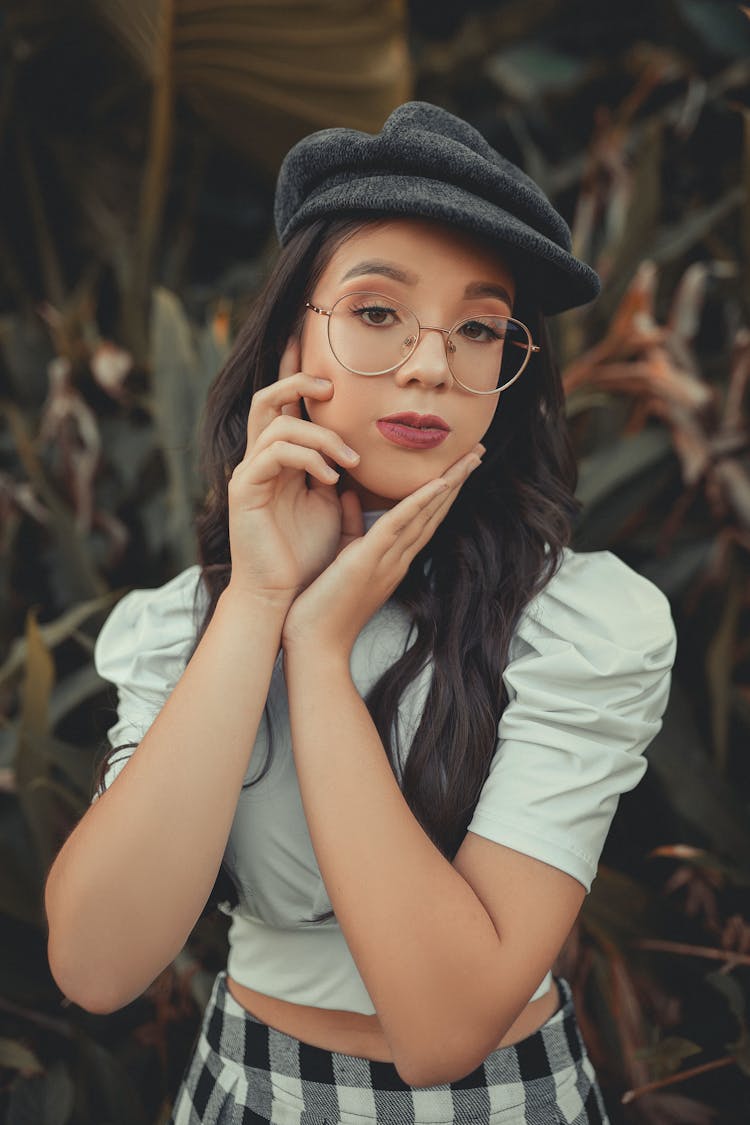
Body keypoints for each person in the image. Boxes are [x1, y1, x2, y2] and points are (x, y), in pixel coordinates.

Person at [44, 102, 677, 1124]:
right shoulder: (188, 621)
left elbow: (444, 1027)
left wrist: (323, 652)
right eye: (378, 312)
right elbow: (96, 965)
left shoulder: (584, 622)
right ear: (292, 334)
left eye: (479, 328)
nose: (434, 363)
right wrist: (259, 602)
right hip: (244, 1092)